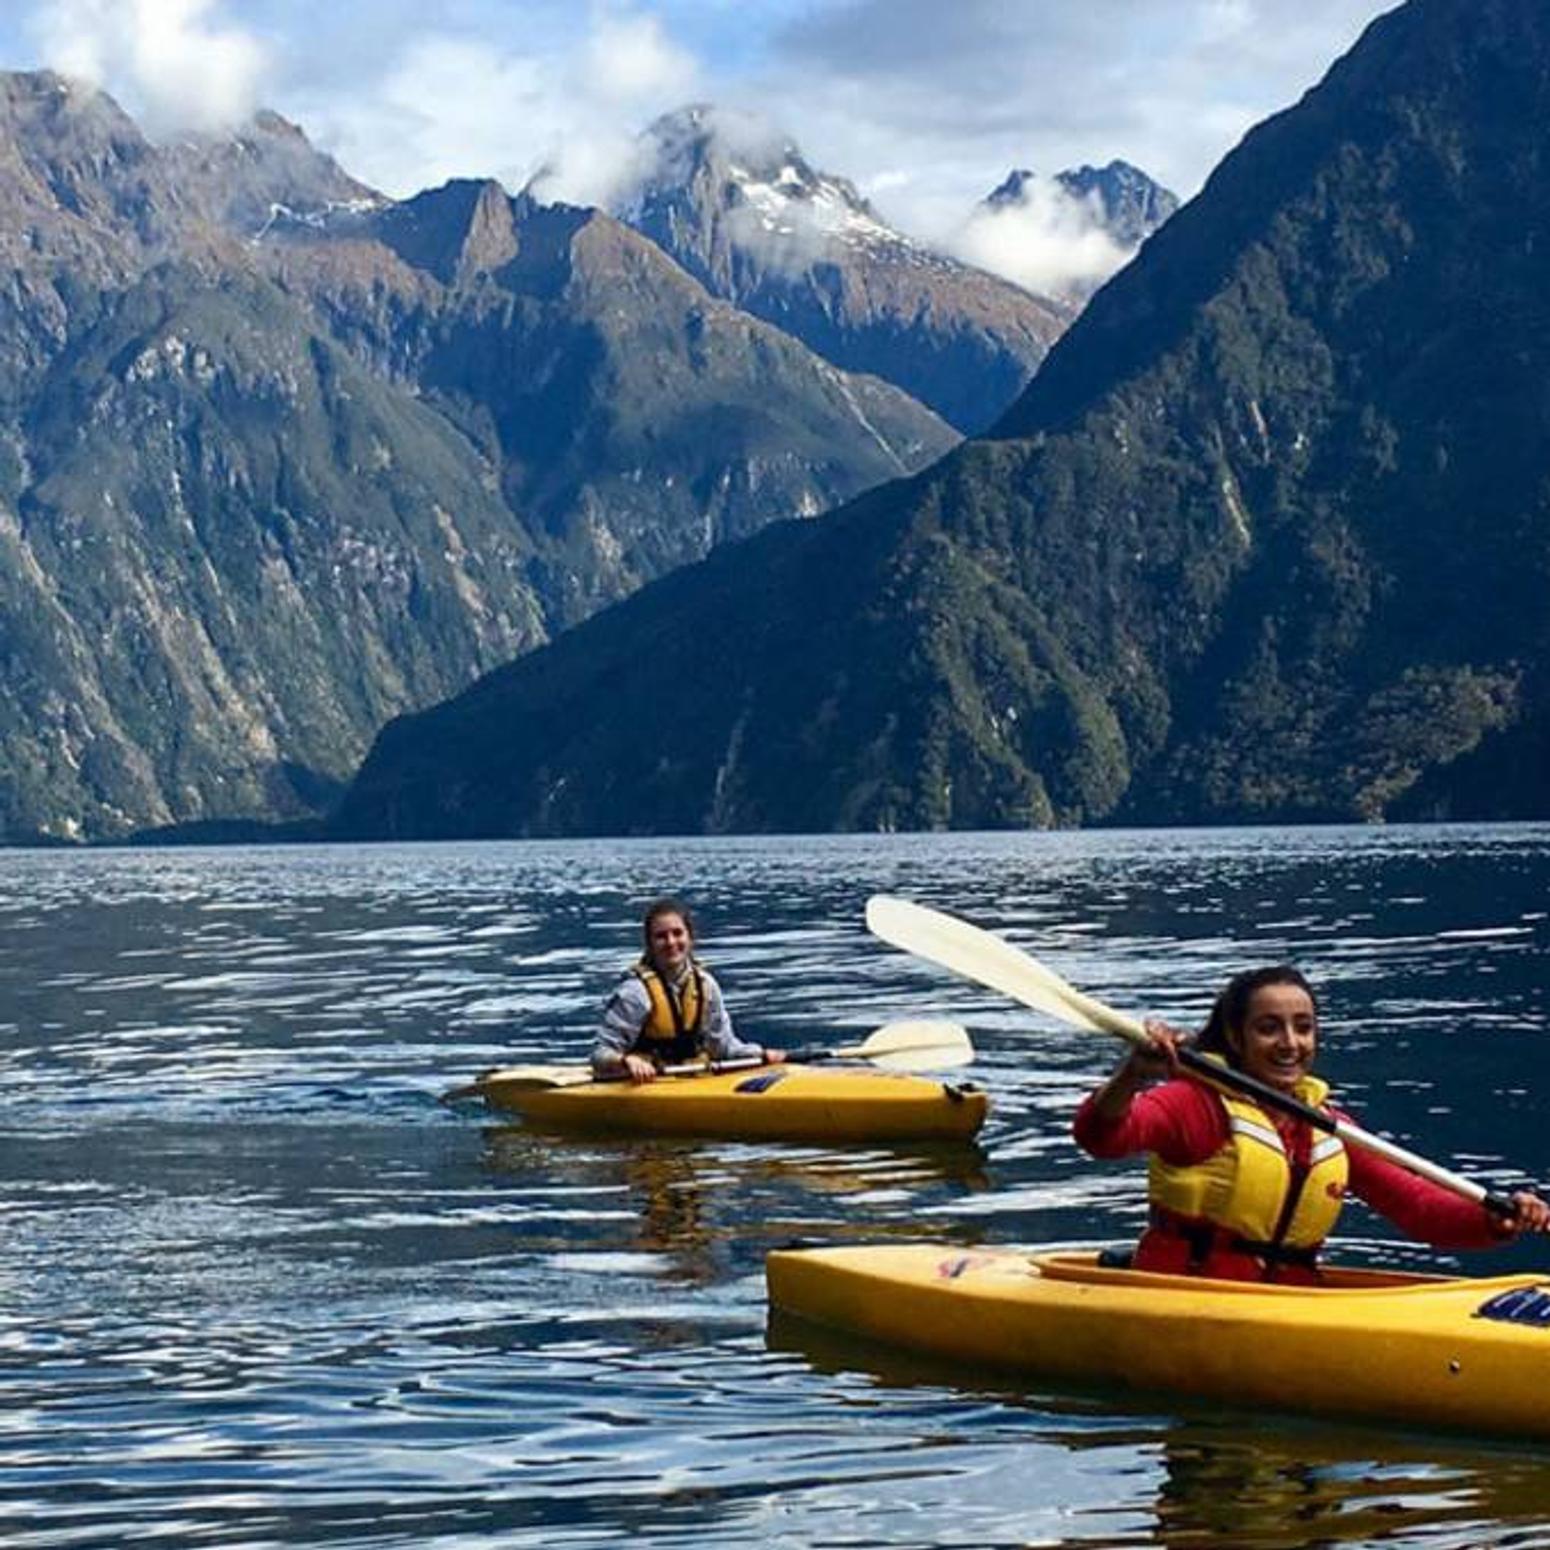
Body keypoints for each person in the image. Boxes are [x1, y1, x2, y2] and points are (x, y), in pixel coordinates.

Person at [1073, 964, 1550, 1283]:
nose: (1289, 1043)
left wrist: (1492, 1219)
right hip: (1188, 1294)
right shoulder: (1194, 1104)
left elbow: (1418, 1207)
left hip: (1288, 1299)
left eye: (1303, 1027)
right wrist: (1131, 1076)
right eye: (1268, 1027)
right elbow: (1102, 1136)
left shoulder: (1328, 1127)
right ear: (1236, 1038)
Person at [593, 898, 785, 1083]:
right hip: (646, 1084)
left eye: (677, 933)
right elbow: (600, 1054)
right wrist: (625, 1061)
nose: (670, 942)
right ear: (650, 944)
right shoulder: (635, 992)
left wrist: (760, 1054)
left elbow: (724, 1047)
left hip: (692, 1080)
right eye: (661, 936)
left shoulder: (706, 986)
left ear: (690, 937)